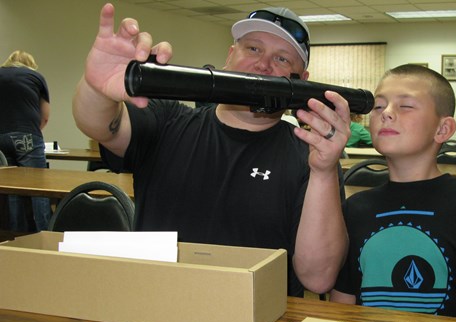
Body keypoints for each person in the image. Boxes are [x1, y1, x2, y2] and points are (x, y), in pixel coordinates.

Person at [72, 4, 350, 297]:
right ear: (230, 56)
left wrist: (323, 172)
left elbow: (318, 279)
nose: (263, 65)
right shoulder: (167, 121)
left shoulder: (310, 159)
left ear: (300, 82)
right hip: (154, 307)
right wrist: (97, 86)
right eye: (253, 49)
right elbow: (100, 125)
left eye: (281, 58)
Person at [330, 64, 456, 320]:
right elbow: (342, 301)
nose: (386, 114)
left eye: (406, 106)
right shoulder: (356, 208)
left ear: (443, 129)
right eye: (378, 106)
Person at [0, 50, 51, 232]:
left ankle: (18, 236)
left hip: (1, 137)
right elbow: (44, 116)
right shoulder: (35, 76)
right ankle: (44, 234)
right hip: (27, 136)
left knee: (13, 190)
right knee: (39, 189)